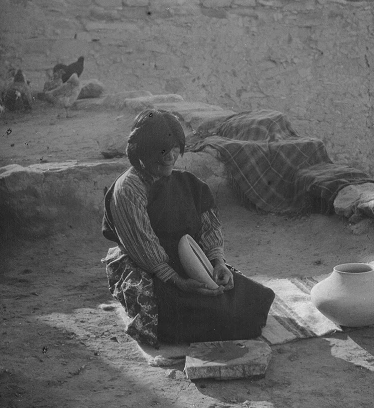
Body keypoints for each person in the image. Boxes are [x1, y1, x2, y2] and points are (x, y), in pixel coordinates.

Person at [101, 109, 275, 348]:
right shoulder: (129, 189)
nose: (170, 157)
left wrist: (217, 262)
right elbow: (143, 246)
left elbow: (208, 229)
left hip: (189, 260)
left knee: (252, 298)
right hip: (148, 265)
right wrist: (177, 281)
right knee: (194, 315)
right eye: (161, 152)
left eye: (174, 150)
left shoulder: (188, 183)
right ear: (142, 151)